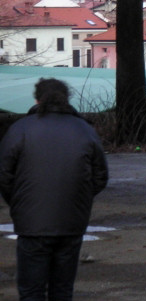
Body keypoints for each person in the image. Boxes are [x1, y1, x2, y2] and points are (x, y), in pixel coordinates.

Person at [0, 78, 108, 301]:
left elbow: (4, 175)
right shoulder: (84, 130)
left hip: (31, 224)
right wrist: (79, 198)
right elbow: (100, 177)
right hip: (72, 221)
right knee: (62, 290)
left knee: (31, 291)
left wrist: (20, 203)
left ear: (37, 99)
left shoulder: (20, 129)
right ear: (66, 98)